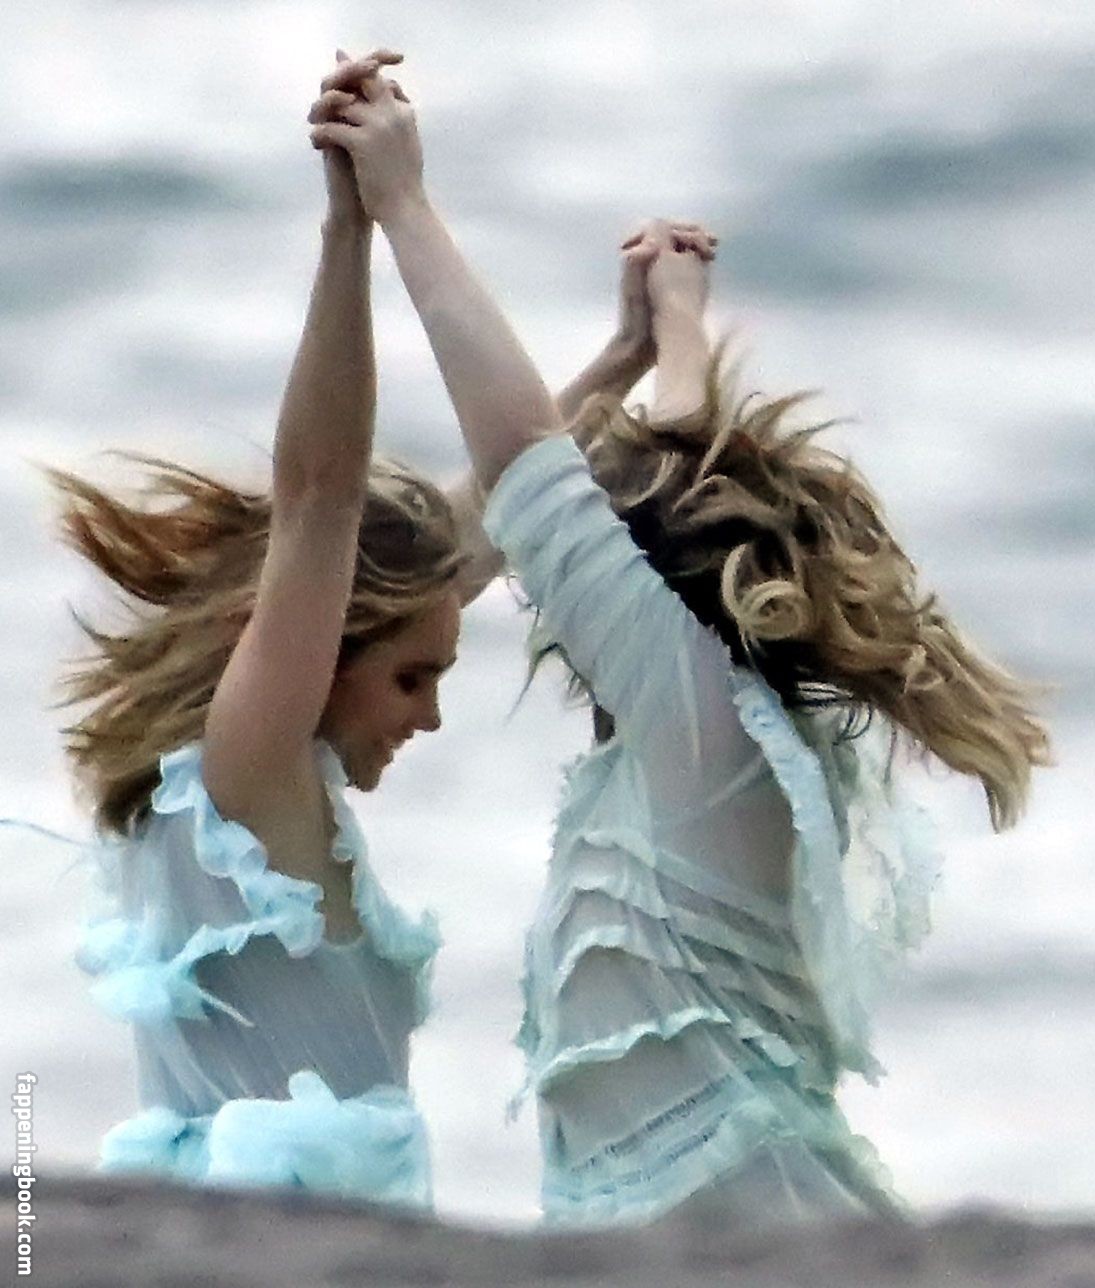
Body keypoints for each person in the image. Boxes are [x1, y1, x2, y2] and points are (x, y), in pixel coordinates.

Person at [311, 54, 1052, 1225]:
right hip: (697, 1221)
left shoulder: (698, 721)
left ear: (648, 587)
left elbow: (523, 463)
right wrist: (665, 333)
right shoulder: (714, 720)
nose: (558, 570)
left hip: (745, 1227)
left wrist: (404, 204)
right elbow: (635, 500)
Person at [25, 49, 690, 1208]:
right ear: (319, 650)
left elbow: (494, 520)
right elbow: (320, 495)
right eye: (412, 678)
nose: (430, 715)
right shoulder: (247, 775)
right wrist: (356, 228)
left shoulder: (262, 786)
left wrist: (629, 354)